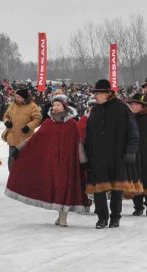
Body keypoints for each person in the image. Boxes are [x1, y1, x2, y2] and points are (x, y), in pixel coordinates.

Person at [5, 96, 89, 226]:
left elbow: (78, 144)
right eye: (54, 105)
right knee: (55, 187)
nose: (55, 107)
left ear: (64, 107)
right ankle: (59, 213)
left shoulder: (72, 124)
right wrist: (19, 149)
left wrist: (83, 162)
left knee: (64, 187)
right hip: (52, 163)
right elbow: (35, 139)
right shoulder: (48, 123)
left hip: (67, 163)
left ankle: (63, 216)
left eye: (58, 105)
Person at [84, 79, 139, 229]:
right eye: (95, 93)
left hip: (117, 154)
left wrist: (131, 149)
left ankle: (115, 217)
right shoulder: (94, 110)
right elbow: (88, 134)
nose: (95, 96)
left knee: (116, 188)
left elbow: (133, 130)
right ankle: (102, 218)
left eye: (98, 93)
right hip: (98, 156)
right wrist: (87, 153)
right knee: (98, 188)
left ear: (108, 93)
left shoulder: (122, 108)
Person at [2, 88, 42, 171]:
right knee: (12, 160)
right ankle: (12, 180)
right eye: (16, 97)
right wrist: (6, 122)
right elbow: (6, 115)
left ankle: (24, 180)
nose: (17, 99)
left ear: (25, 98)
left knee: (25, 161)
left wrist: (29, 126)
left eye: (19, 97)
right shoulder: (12, 105)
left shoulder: (33, 106)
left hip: (25, 139)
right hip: (12, 138)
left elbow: (38, 119)